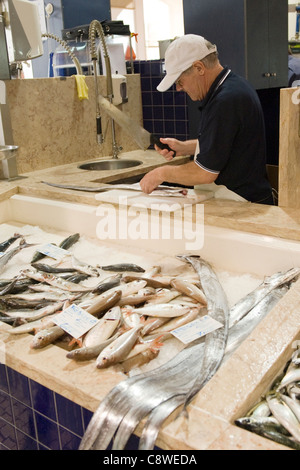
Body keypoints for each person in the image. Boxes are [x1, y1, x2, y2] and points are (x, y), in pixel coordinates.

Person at [139, 34, 274, 205]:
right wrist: (184, 147)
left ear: (199, 68)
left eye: (180, 81)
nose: (179, 88)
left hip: (243, 204)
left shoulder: (225, 101)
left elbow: (205, 173)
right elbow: (226, 144)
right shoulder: (234, 86)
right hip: (242, 199)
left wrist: (161, 173)